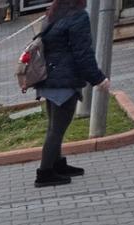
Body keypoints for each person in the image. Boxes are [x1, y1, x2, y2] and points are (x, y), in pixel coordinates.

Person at [34, 0, 111, 187]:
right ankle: (45, 173)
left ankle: (57, 165)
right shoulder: (77, 16)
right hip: (64, 80)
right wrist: (98, 79)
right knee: (57, 129)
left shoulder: (52, 14)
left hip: (49, 78)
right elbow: (83, 53)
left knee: (54, 127)